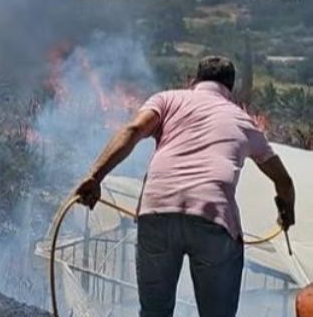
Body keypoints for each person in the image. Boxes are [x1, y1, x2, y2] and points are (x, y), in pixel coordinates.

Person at [73, 56, 296, 317]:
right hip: (213, 218)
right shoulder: (244, 121)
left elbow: (133, 130)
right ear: (230, 89)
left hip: (156, 211)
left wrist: (95, 176)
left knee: (154, 312)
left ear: (194, 80)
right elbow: (284, 180)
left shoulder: (167, 100)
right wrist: (286, 214)